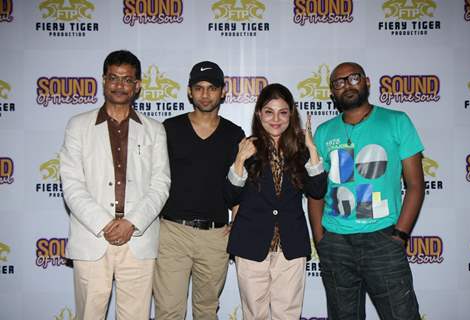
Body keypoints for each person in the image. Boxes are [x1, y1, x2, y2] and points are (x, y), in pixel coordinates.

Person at [59, 50, 171, 320]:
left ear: (138, 85)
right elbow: (72, 184)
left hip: (138, 240)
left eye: (127, 79)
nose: (120, 85)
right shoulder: (78, 126)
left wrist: (131, 222)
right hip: (92, 239)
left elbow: (161, 184)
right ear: (103, 80)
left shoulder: (155, 130)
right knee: (89, 315)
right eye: (114, 78)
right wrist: (105, 223)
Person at [309, 62, 425, 320]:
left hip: (383, 240)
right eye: (339, 82)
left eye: (353, 78)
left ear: (367, 82)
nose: (347, 85)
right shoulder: (324, 132)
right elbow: (316, 191)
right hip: (336, 243)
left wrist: (400, 236)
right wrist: (321, 239)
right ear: (332, 92)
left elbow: (416, 185)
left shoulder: (397, 121)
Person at [226, 83, 327, 319]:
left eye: (283, 112)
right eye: (269, 112)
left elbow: (318, 190)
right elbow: (230, 196)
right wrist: (240, 160)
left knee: (288, 314)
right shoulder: (245, 147)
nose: (276, 119)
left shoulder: (301, 151)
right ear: (259, 113)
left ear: (291, 115)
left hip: (290, 245)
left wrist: (312, 150)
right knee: (254, 314)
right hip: (251, 243)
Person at [153, 61, 245, 320]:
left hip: (215, 236)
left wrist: (237, 219)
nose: (205, 94)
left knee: (206, 312)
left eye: (212, 88)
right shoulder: (169, 129)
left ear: (223, 92)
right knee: (168, 311)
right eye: (199, 88)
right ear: (189, 92)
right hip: (172, 233)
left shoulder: (233, 134)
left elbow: (238, 183)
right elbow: (154, 179)